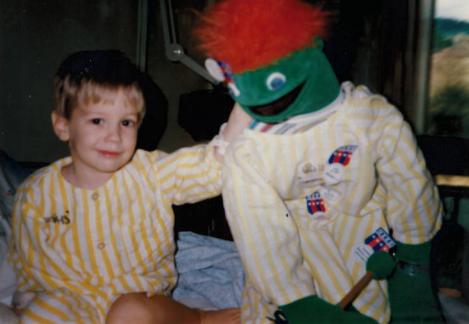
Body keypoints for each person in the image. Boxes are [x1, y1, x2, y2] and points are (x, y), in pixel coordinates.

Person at [195, 0, 444, 323]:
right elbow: (262, 234)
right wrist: (297, 302)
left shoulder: (368, 116)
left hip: (366, 245)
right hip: (293, 260)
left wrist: (414, 261)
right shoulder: (250, 154)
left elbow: (410, 183)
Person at [8, 50, 250, 324]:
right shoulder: (35, 193)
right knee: (38, 313)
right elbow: (28, 256)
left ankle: (196, 316)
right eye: (97, 121)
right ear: (63, 126)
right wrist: (27, 294)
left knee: (129, 313)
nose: (114, 137)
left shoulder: (151, 172)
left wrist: (244, 110)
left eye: (126, 122)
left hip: (139, 298)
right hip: (73, 300)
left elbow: (209, 168)